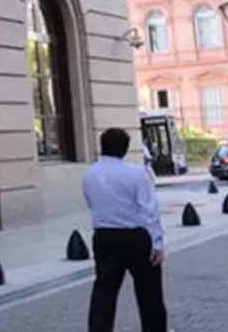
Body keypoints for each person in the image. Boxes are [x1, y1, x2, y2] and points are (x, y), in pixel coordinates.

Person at [83, 127, 168, 332]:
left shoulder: (89, 174)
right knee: (149, 292)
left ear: (102, 147)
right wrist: (157, 242)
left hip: (104, 237)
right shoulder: (136, 173)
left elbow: (91, 203)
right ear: (126, 148)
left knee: (104, 291)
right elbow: (149, 209)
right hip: (135, 237)